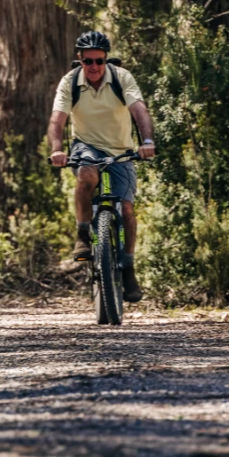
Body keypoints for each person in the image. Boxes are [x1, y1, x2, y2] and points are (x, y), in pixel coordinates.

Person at [47, 30, 156, 303]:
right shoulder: (70, 82)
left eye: (99, 60)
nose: (94, 66)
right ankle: (83, 234)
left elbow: (139, 109)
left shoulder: (121, 77)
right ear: (80, 60)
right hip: (86, 145)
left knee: (127, 209)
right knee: (86, 174)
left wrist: (147, 141)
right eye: (88, 61)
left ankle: (128, 268)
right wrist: (57, 150)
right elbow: (57, 119)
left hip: (121, 150)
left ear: (106, 59)